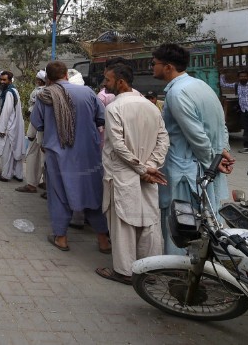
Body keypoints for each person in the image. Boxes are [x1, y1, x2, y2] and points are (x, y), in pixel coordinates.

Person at [152, 44, 235, 254]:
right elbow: (220, 126)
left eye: (155, 64)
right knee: (200, 223)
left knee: (181, 225)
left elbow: (197, 135)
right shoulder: (201, 85)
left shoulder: (177, 93)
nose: (152, 67)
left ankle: (178, 273)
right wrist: (220, 154)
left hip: (186, 172)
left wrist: (212, 164)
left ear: (168, 67)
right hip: (200, 168)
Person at [96, 64, 169, 285]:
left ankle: (125, 271)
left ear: (120, 82)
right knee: (148, 222)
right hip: (146, 172)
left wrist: (144, 169)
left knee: (123, 223)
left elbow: (118, 145)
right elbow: (163, 140)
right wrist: (150, 166)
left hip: (123, 173)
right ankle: (150, 270)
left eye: (108, 80)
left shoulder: (114, 108)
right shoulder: (150, 107)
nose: (104, 84)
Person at [30, 61, 111, 254]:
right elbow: (101, 118)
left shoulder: (45, 96)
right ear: (66, 74)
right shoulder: (88, 93)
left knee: (59, 195)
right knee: (93, 193)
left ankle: (61, 238)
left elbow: (37, 124)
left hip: (59, 155)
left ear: (48, 78)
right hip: (88, 154)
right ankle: (103, 241)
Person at [17, 70, 46, 193]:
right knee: (45, 159)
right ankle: (45, 183)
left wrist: (30, 134)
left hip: (38, 130)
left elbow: (35, 112)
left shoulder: (39, 93)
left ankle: (31, 184)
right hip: (49, 132)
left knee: (32, 155)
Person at [0, 71, 25, 182]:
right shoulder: (14, 90)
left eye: (4, 80)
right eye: (1, 80)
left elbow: (6, 112)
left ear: (10, 80)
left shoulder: (8, 93)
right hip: (16, 125)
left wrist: (1, 128)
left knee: (7, 152)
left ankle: (6, 175)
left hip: (9, 126)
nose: (2, 82)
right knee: (15, 151)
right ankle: (18, 174)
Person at [220, 69, 248, 153]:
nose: (243, 78)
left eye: (245, 76)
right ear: (238, 77)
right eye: (241, 76)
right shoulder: (237, 85)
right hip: (244, 111)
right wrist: (222, 74)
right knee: (247, 130)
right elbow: (224, 84)